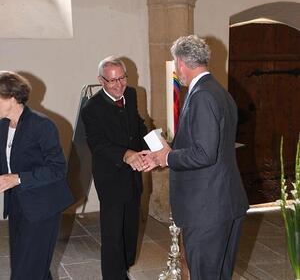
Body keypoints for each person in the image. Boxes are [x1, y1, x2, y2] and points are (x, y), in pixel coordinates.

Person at [147, 35, 249, 280]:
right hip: (222, 203)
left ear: (181, 62)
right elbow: (206, 143)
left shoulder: (202, 95)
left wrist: (167, 159)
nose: (176, 69)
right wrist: (168, 149)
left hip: (207, 209)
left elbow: (204, 153)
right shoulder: (219, 92)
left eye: (175, 62)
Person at [0, 71, 73, 280]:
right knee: (31, 267)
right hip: (18, 206)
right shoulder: (3, 125)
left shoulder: (41, 125)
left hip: (43, 207)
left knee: (26, 272)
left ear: (12, 98)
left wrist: (16, 178)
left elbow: (58, 168)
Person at [81, 56, 149, 280]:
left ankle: (125, 268)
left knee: (130, 229)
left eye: (122, 78)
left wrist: (158, 145)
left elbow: (138, 126)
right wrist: (126, 154)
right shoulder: (92, 108)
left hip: (133, 175)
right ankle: (113, 276)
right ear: (101, 81)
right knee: (112, 235)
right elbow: (97, 144)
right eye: (112, 81)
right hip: (110, 177)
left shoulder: (130, 94)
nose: (119, 85)